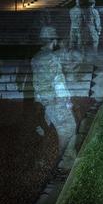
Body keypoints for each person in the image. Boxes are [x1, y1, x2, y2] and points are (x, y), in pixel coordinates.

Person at [31, 26, 77, 158]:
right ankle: (66, 159)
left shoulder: (36, 58)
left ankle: (64, 157)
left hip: (45, 100)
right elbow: (58, 80)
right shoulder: (52, 57)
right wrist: (66, 99)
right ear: (54, 40)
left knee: (63, 128)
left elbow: (37, 82)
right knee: (69, 128)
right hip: (56, 100)